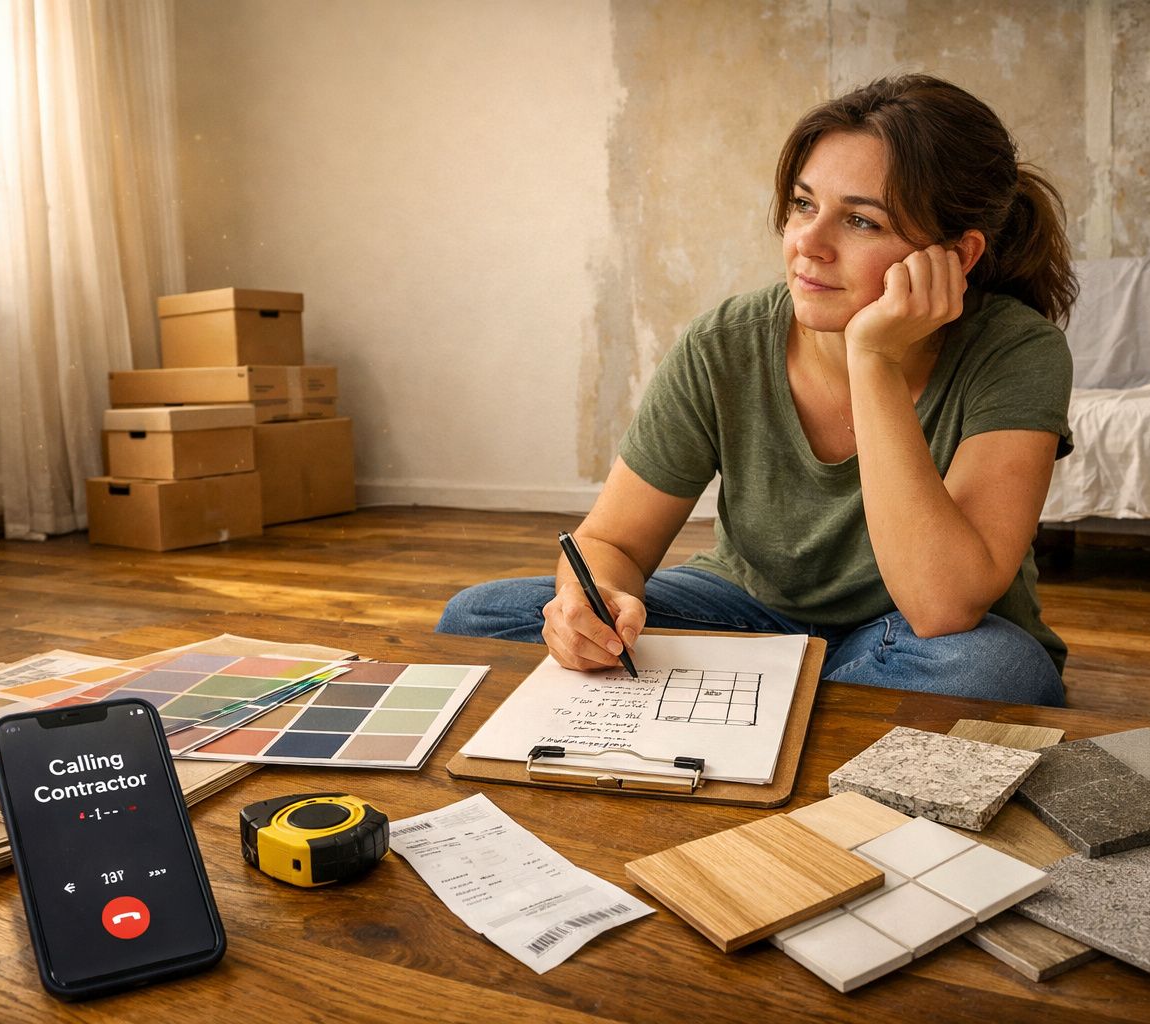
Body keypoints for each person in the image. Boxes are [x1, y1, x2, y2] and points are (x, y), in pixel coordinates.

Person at [438, 74, 1077, 707]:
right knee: (484, 615)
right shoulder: (726, 343)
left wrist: (873, 360)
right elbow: (614, 543)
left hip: (912, 638)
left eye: (860, 220)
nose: (808, 243)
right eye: (803, 205)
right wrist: (593, 603)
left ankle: (760, 704)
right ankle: (804, 706)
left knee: (998, 674)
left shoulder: (1016, 352)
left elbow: (943, 606)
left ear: (959, 255)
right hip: (747, 615)